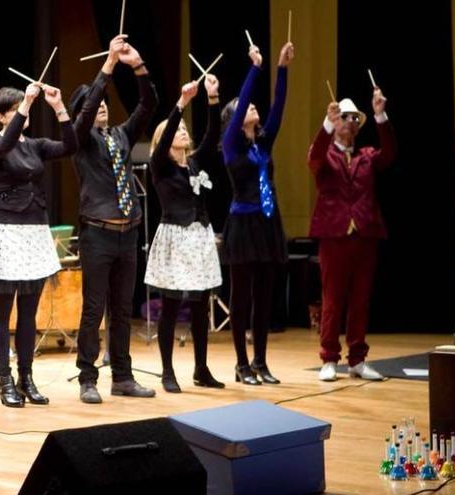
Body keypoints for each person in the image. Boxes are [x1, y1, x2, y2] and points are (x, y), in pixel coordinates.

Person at [68, 35, 158, 404]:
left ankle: (122, 375)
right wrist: (107, 66)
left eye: (105, 101)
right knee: (94, 308)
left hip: (128, 232)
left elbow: (149, 104)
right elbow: (87, 110)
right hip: (98, 233)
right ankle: (87, 377)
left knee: (122, 309)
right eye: (95, 103)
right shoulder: (78, 139)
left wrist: (137, 67)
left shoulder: (120, 135)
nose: (102, 106)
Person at [0, 82, 77, 407]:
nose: (25, 111)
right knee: (3, 308)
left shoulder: (35, 145)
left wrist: (59, 107)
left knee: (29, 311)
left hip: (34, 229)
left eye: (24, 106)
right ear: (0, 115)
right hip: (5, 230)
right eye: (16, 108)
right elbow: (5, 145)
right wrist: (25, 107)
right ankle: (4, 379)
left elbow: (71, 146)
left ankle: (26, 377)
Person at [308, 87, 395, 382]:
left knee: (360, 299)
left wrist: (380, 114)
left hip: (365, 234)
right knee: (332, 299)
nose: (350, 121)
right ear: (336, 122)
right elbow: (314, 155)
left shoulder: (367, 156)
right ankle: (329, 358)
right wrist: (326, 124)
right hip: (334, 235)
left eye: (354, 118)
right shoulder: (325, 154)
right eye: (344, 117)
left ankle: (357, 359)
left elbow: (391, 152)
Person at [220, 41, 294, 385]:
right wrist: (255, 69)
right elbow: (237, 112)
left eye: (252, 106)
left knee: (265, 297)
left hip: (267, 223)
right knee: (242, 296)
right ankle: (241, 364)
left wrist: (281, 68)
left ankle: (261, 362)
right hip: (243, 223)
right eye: (246, 106)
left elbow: (278, 108)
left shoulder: (261, 142)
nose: (253, 108)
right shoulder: (231, 144)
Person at [145, 75, 224, 393]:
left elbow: (213, 133)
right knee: (172, 305)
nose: (183, 131)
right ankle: (167, 371)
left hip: (199, 238)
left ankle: (201, 369)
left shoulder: (194, 163)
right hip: (175, 238)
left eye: (183, 129)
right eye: (177, 129)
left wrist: (213, 98)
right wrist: (181, 103)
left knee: (202, 304)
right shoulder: (159, 165)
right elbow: (163, 145)